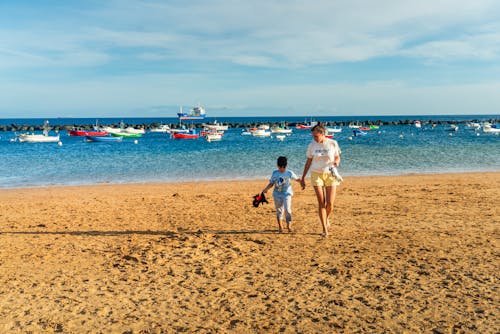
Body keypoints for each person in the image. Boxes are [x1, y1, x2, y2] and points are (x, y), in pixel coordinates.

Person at [300, 124, 342, 237]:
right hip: (316, 174)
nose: (314, 138)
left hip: (330, 174)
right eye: (313, 136)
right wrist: (303, 177)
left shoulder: (333, 143)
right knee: (321, 202)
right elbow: (308, 161)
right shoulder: (311, 145)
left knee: (330, 204)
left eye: (316, 136)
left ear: (323, 134)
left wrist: (336, 162)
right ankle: (324, 229)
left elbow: (337, 156)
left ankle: (326, 218)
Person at [261, 156, 301, 233]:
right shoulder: (275, 173)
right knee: (279, 210)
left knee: (287, 209)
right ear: (278, 166)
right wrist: (266, 189)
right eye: (280, 167)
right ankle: (280, 227)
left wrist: (302, 183)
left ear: (285, 166)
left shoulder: (289, 173)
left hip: (287, 194)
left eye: (283, 167)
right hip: (277, 194)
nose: (281, 169)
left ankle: (289, 225)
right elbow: (271, 183)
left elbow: (297, 179)